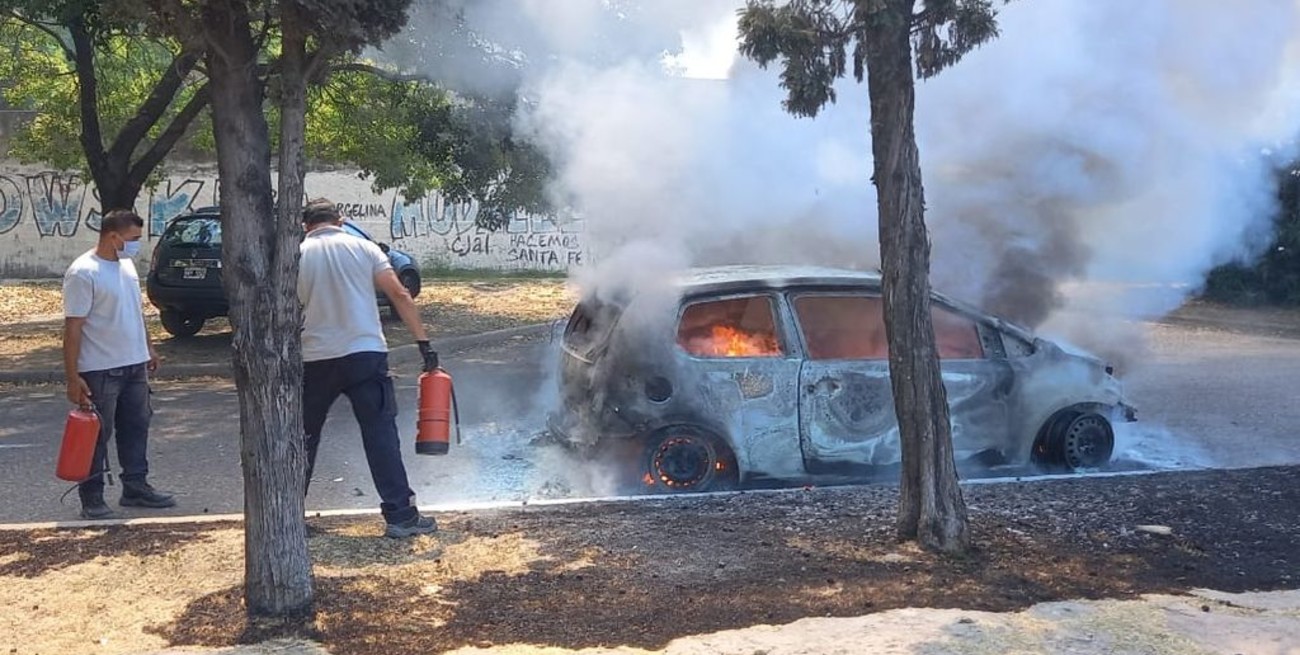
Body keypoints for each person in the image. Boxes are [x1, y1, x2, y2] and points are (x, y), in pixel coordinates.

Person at [298, 198, 440, 538]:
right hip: (365, 353)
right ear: (340, 220)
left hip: (315, 357)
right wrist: (424, 344)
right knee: (380, 435)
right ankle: (401, 516)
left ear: (306, 226)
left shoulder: (297, 254)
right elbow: (400, 295)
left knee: (303, 438)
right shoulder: (365, 249)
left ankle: (288, 517)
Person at [62, 209, 176, 520]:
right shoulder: (83, 272)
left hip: (134, 364)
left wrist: (148, 347)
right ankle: (92, 497)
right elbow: (73, 328)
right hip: (100, 369)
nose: (137, 245)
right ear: (113, 237)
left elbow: (134, 311)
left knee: (136, 427)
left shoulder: (126, 266)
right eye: (133, 239)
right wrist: (74, 378)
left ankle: (135, 486)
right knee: (97, 435)